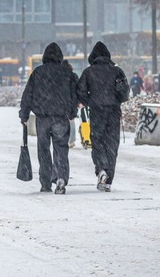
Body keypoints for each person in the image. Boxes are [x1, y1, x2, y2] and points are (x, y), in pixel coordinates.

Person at [19, 42, 80, 194]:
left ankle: (45, 183)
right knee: (61, 148)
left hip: (43, 118)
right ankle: (60, 177)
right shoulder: (67, 73)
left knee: (43, 150)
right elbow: (75, 95)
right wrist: (72, 112)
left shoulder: (38, 73)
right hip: (61, 117)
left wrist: (24, 115)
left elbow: (28, 95)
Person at [76, 41, 129, 192]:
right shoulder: (117, 71)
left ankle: (101, 169)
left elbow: (80, 91)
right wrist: (115, 99)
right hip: (113, 111)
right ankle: (108, 179)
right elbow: (125, 93)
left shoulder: (88, 72)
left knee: (98, 141)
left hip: (97, 111)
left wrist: (88, 101)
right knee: (112, 144)